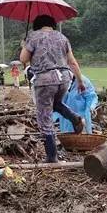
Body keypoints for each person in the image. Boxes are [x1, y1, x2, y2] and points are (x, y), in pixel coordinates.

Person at [19, 14, 86, 163]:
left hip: (44, 81)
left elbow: (23, 59)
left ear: (37, 25)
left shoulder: (33, 36)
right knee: (56, 104)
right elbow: (73, 62)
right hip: (64, 79)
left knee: (44, 117)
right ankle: (75, 119)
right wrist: (80, 82)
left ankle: (51, 156)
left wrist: (25, 45)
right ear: (52, 24)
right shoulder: (62, 38)